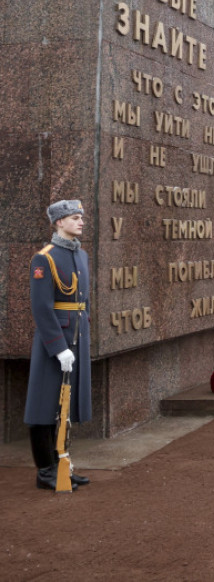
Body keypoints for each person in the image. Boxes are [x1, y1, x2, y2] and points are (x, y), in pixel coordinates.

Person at [25, 199, 92, 490]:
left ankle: (62, 461)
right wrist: (57, 347)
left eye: (81, 217)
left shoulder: (82, 256)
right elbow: (41, 307)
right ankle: (45, 471)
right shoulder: (45, 258)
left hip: (77, 336)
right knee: (44, 405)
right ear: (59, 222)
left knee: (64, 405)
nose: (80, 221)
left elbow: (82, 300)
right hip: (55, 340)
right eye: (74, 217)